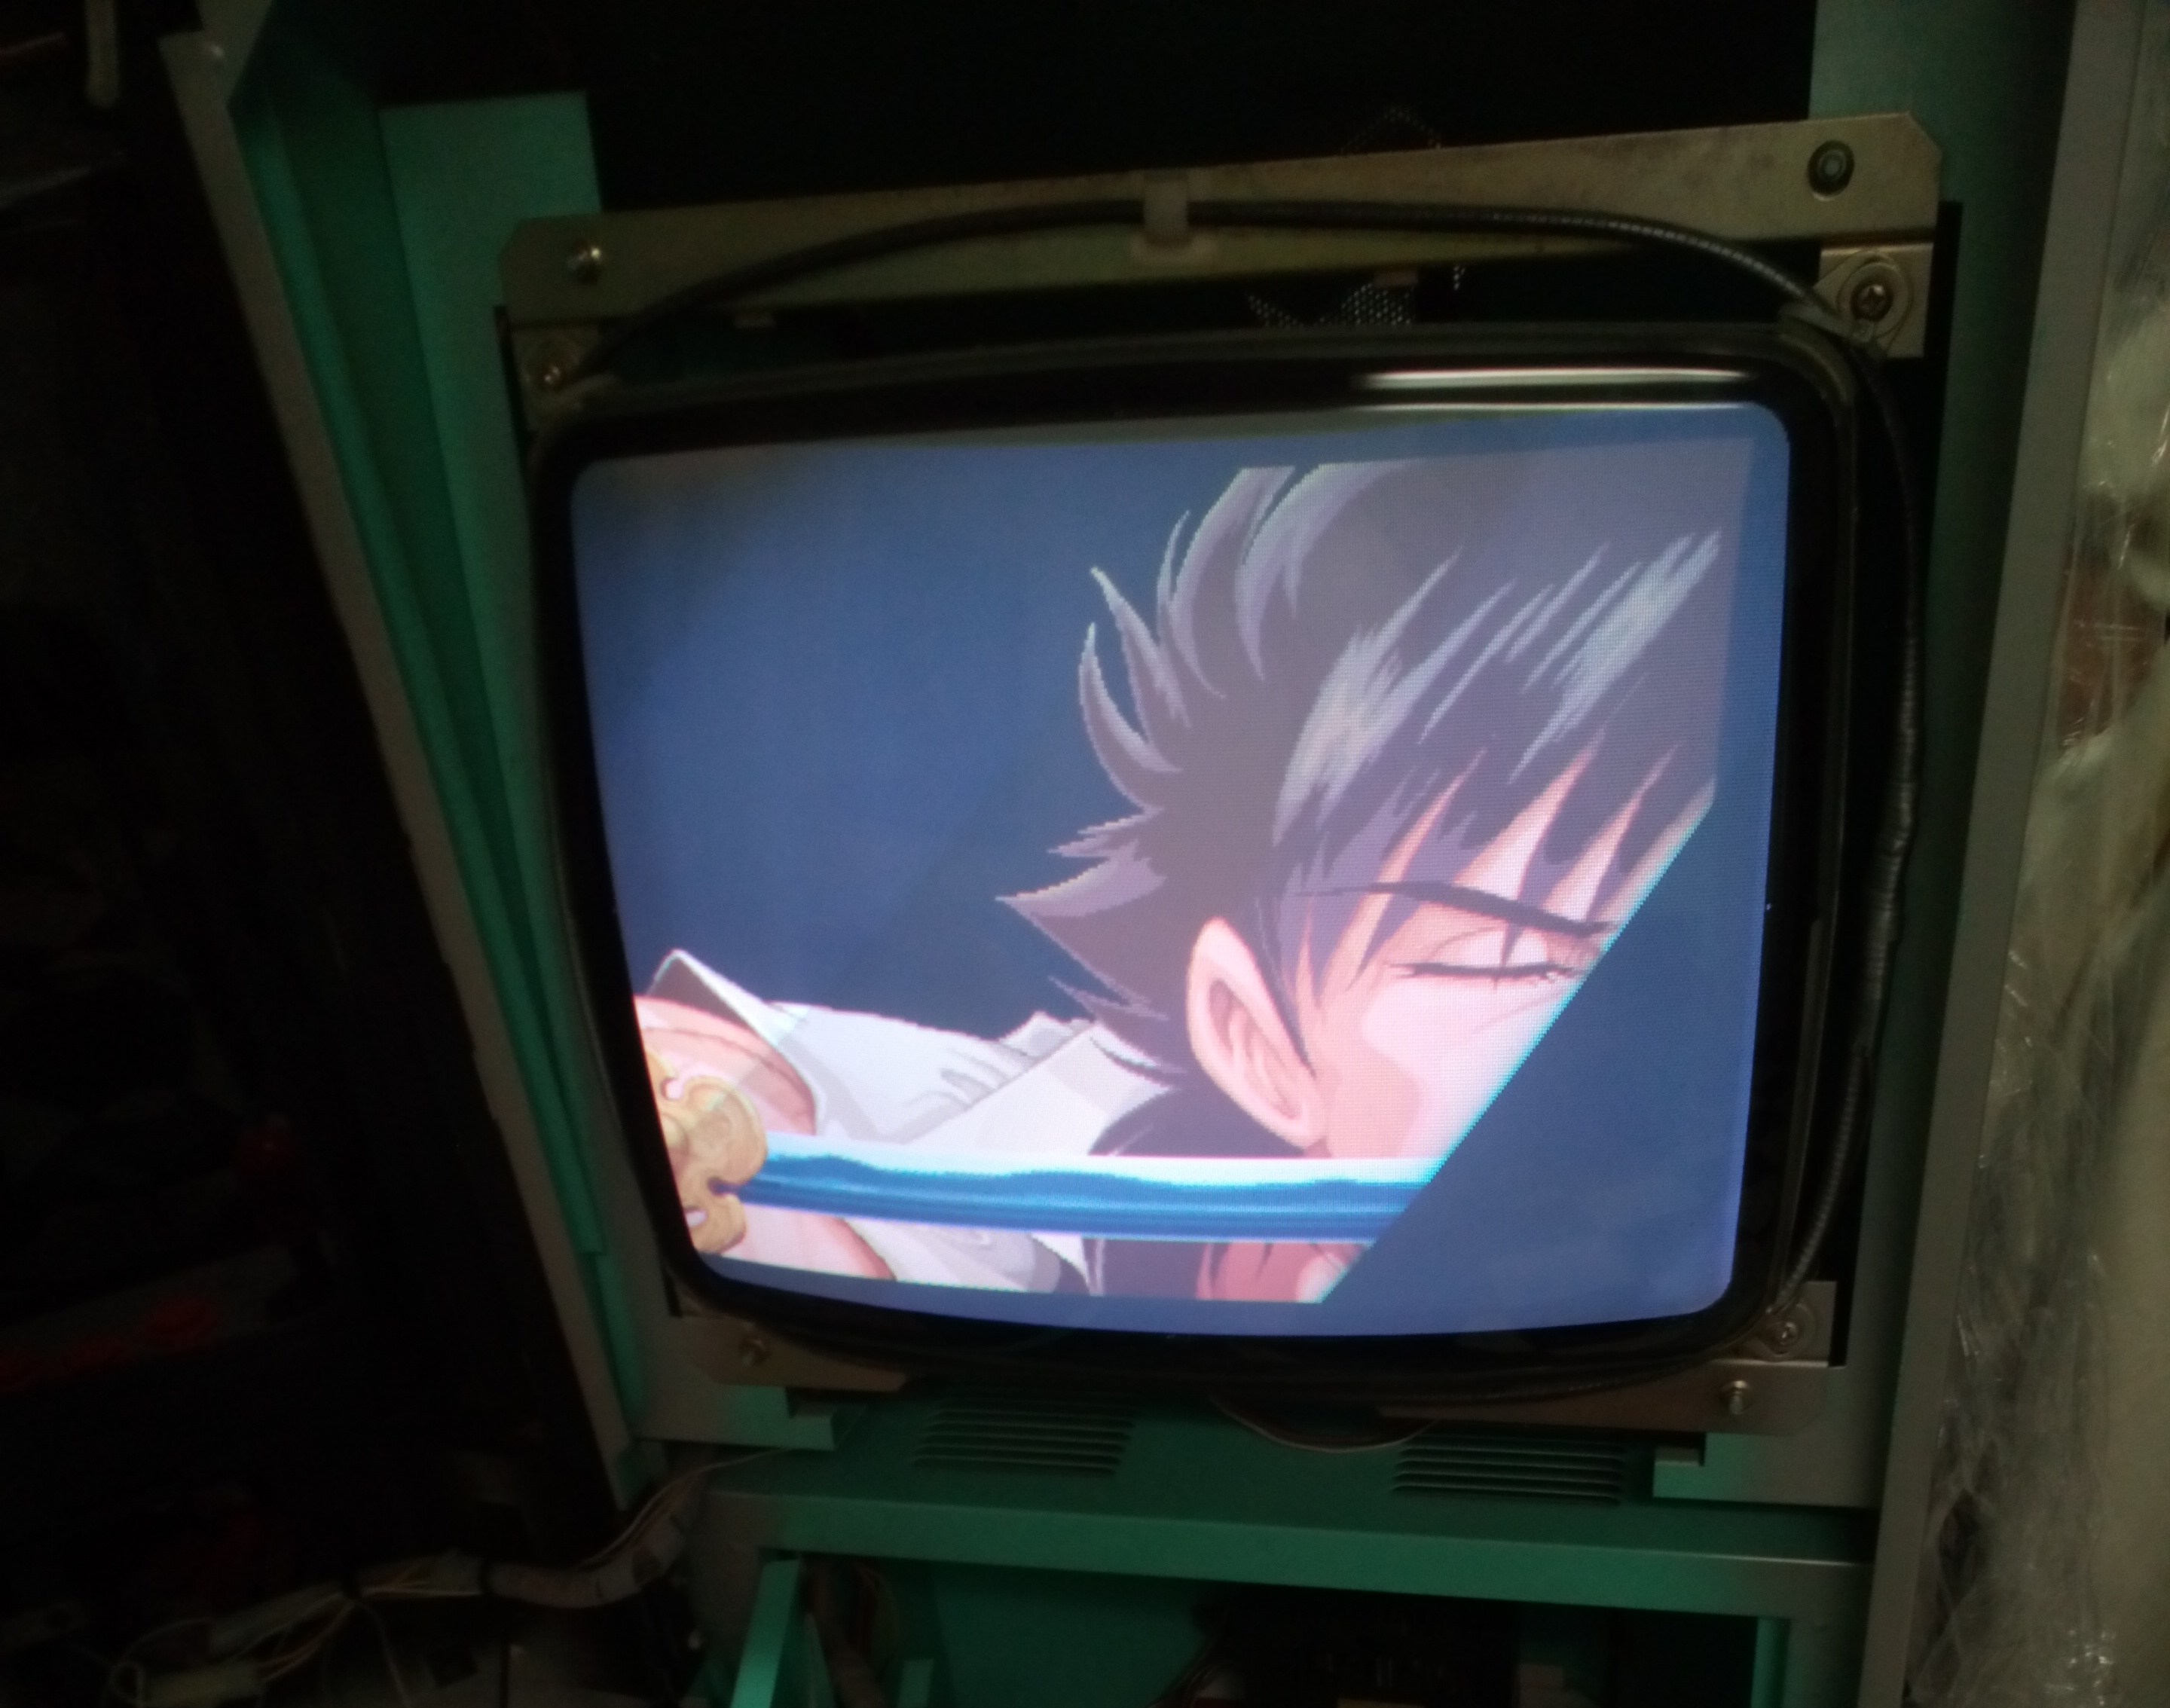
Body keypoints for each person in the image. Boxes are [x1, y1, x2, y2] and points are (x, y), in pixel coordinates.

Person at [634, 451, 1734, 1301]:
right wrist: (706, 1125)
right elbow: (744, 1077)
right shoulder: (1020, 1140)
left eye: (1637, 954)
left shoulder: (1628, 1224)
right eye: (1507, 958)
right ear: (1251, 1033)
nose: (1583, 1030)